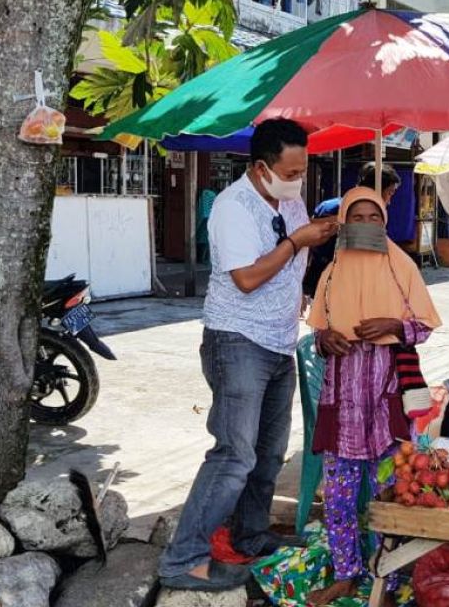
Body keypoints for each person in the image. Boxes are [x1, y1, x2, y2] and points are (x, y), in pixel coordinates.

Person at [159, 119, 340, 592]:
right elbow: (247, 278)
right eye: (292, 170)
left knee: (268, 453)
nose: (299, 179)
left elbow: (296, 261)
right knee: (233, 454)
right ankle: (184, 558)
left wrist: (323, 238)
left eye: (304, 170)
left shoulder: (292, 200)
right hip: (236, 339)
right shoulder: (232, 206)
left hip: (279, 339)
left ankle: (252, 534)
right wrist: (296, 241)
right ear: (261, 167)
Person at [305, 187, 440, 606]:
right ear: (343, 223)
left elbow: (426, 325)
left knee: (389, 497)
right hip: (342, 402)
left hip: (386, 405)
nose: (365, 225)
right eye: (356, 217)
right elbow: (318, 330)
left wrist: (394, 326)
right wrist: (325, 338)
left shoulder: (403, 268)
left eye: (374, 217)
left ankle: (391, 577)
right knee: (340, 499)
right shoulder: (330, 273)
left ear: (385, 222)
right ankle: (347, 573)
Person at [303, 163, 402, 299]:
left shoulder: (330, 206)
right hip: (335, 287)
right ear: (376, 190)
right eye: (389, 193)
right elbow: (308, 235)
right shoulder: (333, 208)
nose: (389, 201)